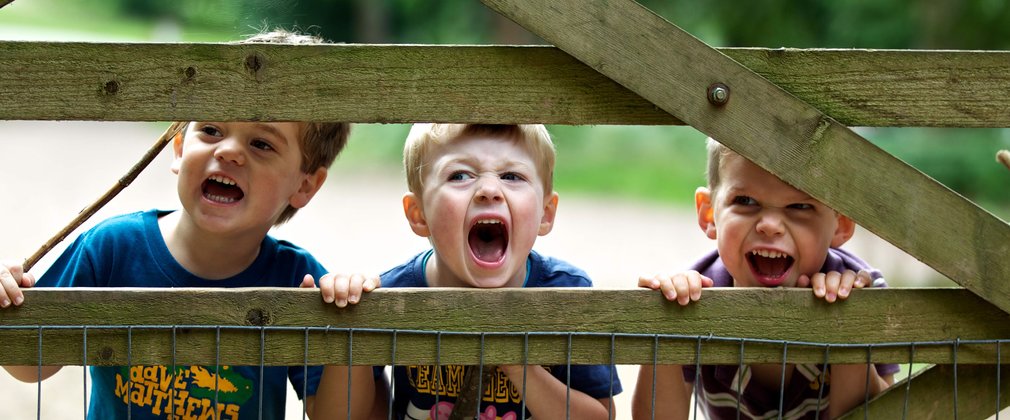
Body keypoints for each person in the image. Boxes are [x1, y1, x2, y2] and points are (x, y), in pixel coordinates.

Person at [0, 28, 354, 420]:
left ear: (305, 185)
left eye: (261, 144)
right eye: (211, 129)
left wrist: (345, 322)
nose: (230, 150)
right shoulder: (112, 248)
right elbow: (29, 365)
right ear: (180, 147)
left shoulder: (296, 279)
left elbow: (337, 415)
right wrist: (6, 299)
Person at [312, 123, 623, 420]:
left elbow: (602, 415)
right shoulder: (393, 293)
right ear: (419, 215)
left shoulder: (569, 292)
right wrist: (348, 320)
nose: (489, 190)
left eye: (512, 176)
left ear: (546, 213)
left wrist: (518, 365)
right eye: (460, 175)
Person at [632, 138, 897, 419]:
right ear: (709, 213)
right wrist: (665, 322)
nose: (769, 226)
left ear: (840, 225)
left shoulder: (862, 289)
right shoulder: (692, 294)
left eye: (799, 206)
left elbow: (872, 413)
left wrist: (846, 323)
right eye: (745, 201)